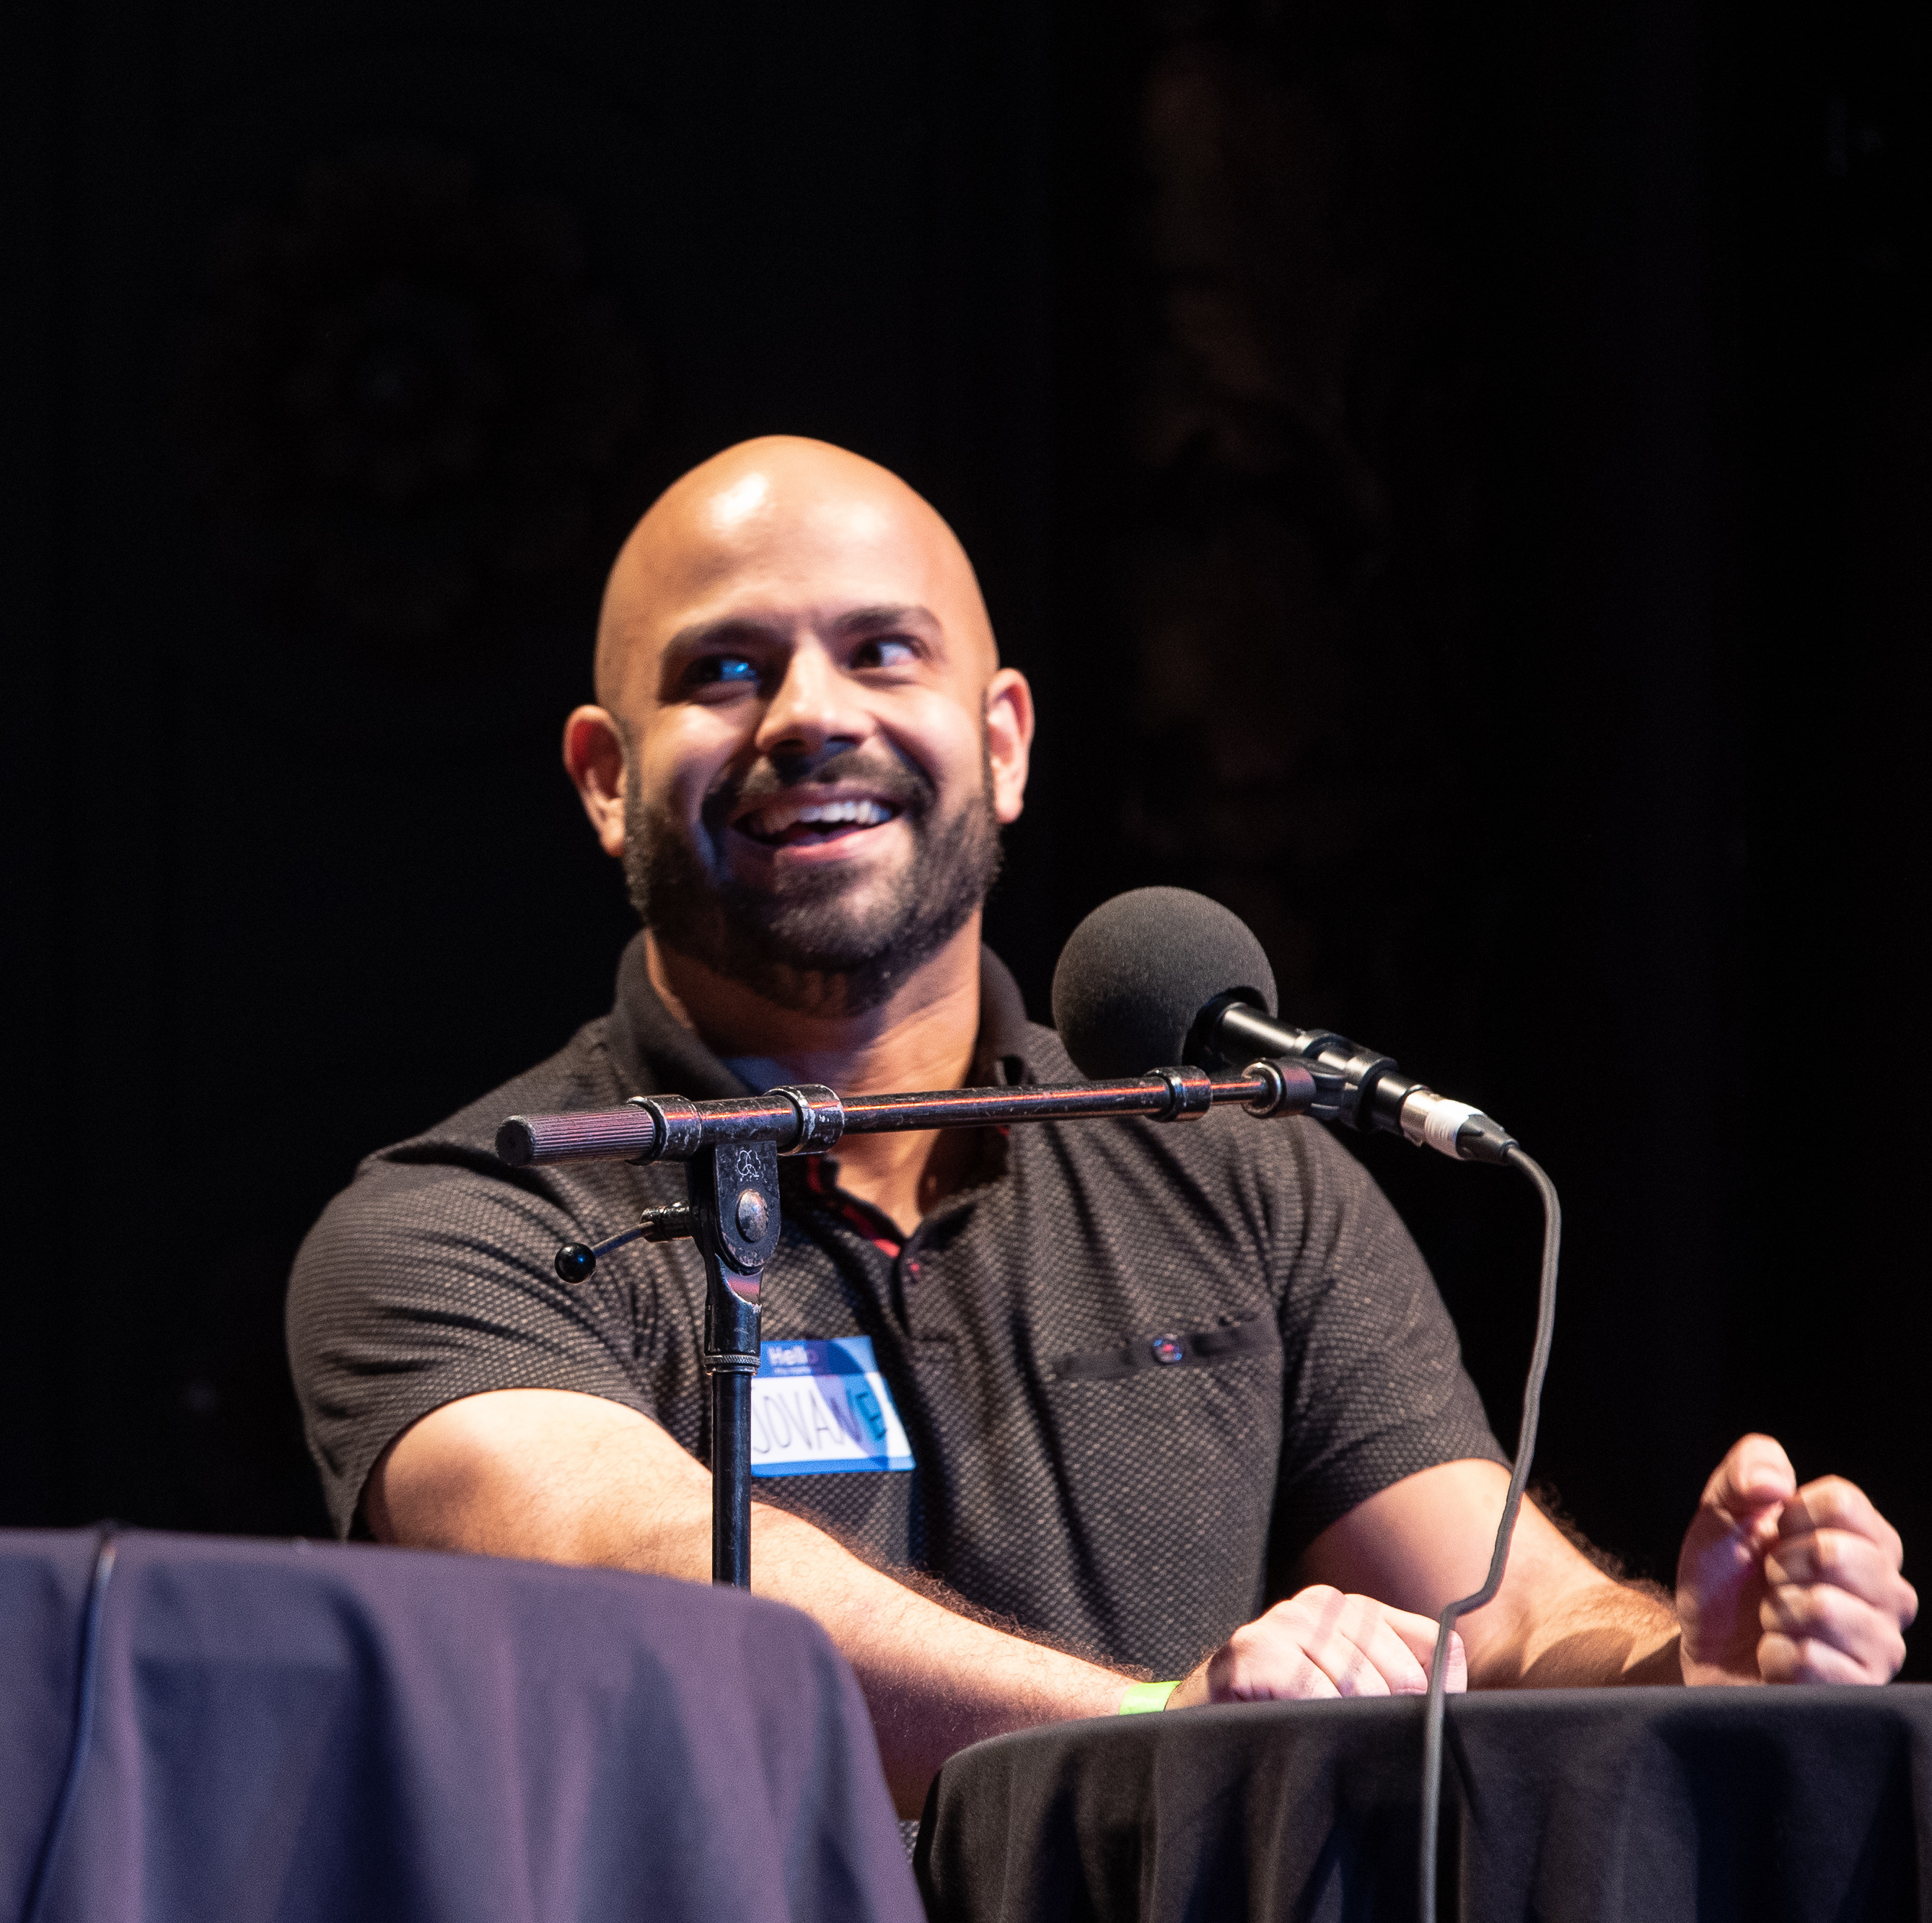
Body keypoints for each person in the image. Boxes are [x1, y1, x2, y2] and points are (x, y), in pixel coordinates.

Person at [286, 435, 1911, 1809]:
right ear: (600, 775)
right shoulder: (464, 1223)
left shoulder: (1237, 1158)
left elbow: (1494, 1615)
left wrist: (1682, 1660)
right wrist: (1156, 1739)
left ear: (1000, 743)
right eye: (723, 668)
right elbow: (638, 1569)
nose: (807, 713)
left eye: (879, 651)